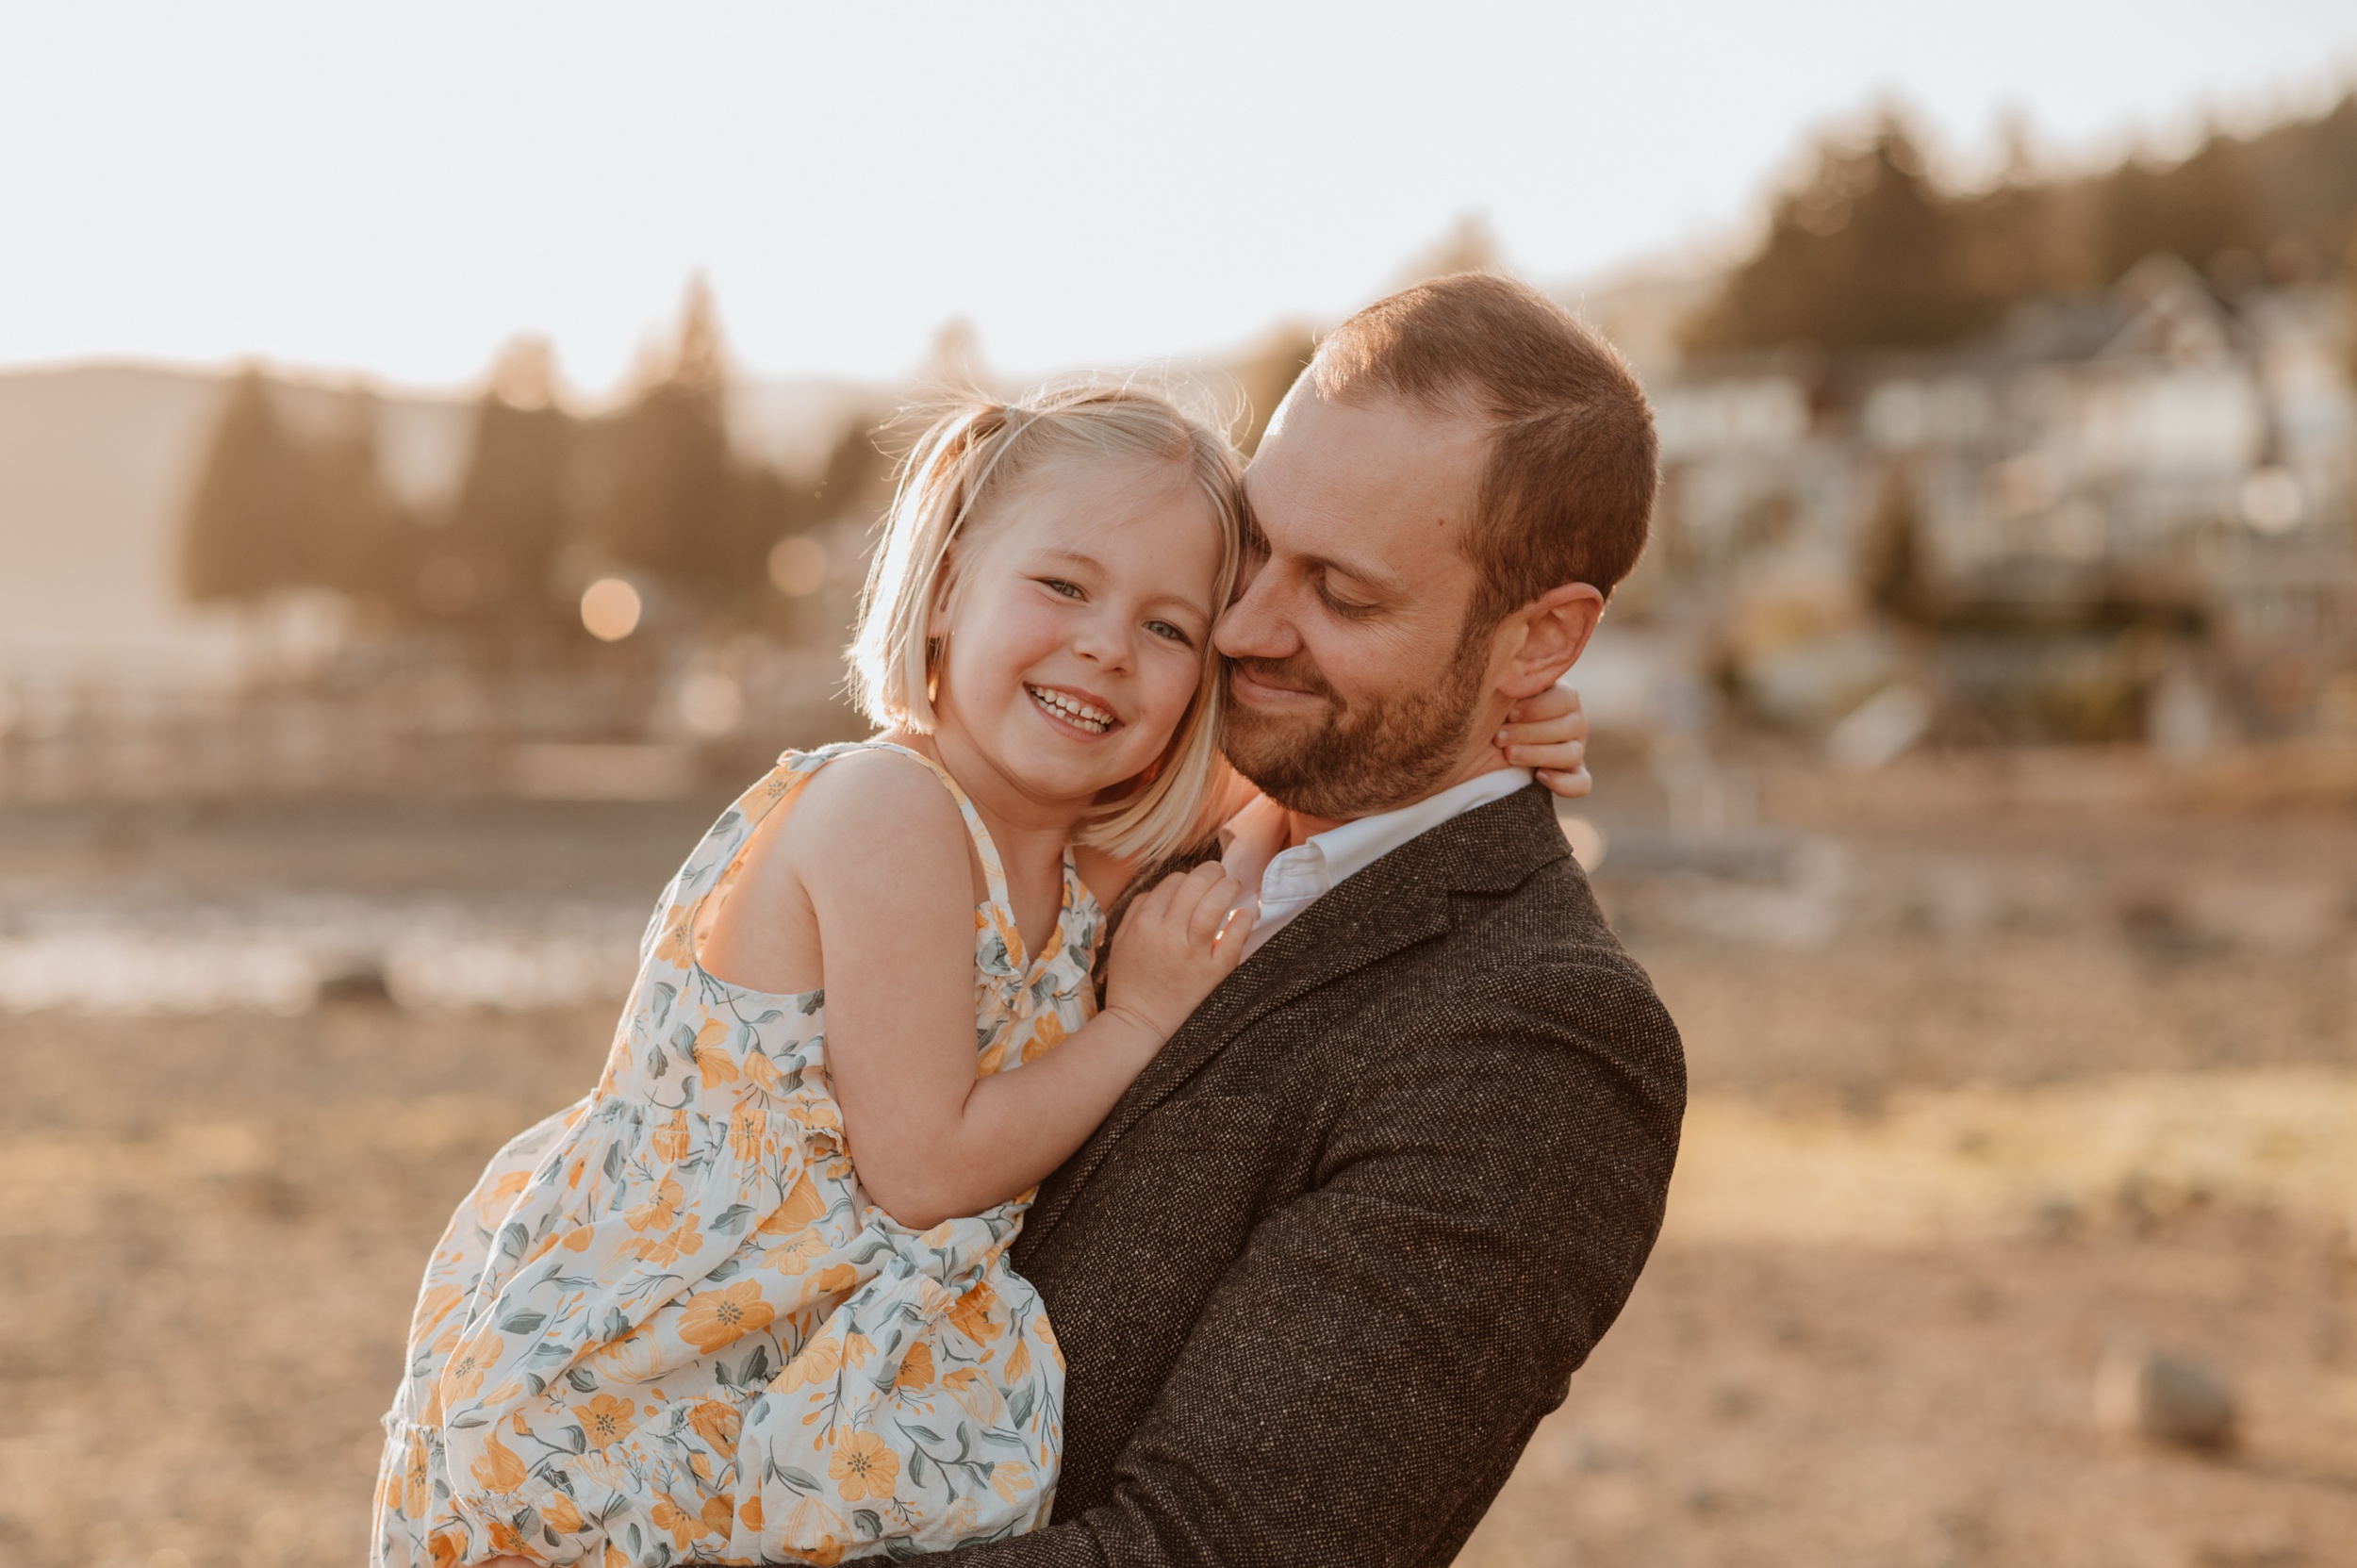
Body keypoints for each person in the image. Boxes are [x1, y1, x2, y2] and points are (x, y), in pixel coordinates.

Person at [371, 380, 1596, 1566]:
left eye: (1168, 627)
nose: (1107, 648)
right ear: (948, 582)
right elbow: (923, 1166)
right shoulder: (890, 808)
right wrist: (1139, 1022)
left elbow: (1318, 770)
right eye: (1063, 584)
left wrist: (1495, 713)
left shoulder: (1078, 862)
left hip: (762, 1411)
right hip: (636, 1413)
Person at [930, 273, 1685, 1568]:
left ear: (1541, 641)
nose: (1240, 623)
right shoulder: (1149, 815)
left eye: (1343, 596)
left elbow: (1205, 1553)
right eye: (1255, 547)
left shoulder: (1540, 1044)